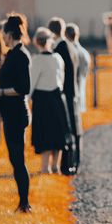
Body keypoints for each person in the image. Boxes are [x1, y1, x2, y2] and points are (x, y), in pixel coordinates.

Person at [0, 13, 32, 213]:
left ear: (10, 34)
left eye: (4, 32)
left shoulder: (21, 56)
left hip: (16, 115)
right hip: (10, 114)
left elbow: (23, 87)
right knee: (15, 160)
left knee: (18, 160)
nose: (2, 36)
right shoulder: (12, 55)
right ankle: (23, 203)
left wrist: (1, 92)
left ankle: (24, 204)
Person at [30, 27, 68, 173]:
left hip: (42, 99)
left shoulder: (37, 60)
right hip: (57, 98)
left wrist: (26, 100)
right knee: (58, 132)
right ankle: (55, 166)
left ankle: (45, 167)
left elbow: (31, 83)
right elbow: (62, 80)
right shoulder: (58, 58)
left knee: (45, 133)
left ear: (37, 42)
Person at [47, 17, 82, 174]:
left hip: (65, 93)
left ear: (51, 31)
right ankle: (74, 162)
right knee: (74, 128)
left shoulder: (60, 47)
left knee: (67, 129)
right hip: (73, 92)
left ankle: (67, 165)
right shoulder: (70, 46)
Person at [65, 23, 90, 170]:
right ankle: (78, 158)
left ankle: (71, 160)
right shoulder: (85, 53)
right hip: (81, 92)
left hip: (71, 94)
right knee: (78, 128)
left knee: (71, 128)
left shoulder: (70, 52)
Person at [65, 23, 91, 113]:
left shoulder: (67, 52)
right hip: (80, 89)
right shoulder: (85, 53)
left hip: (69, 93)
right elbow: (85, 72)